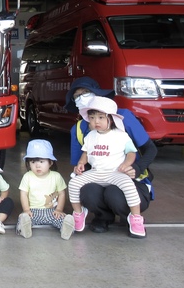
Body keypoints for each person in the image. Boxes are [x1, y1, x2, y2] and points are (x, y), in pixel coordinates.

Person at [65, 76, 156, 237]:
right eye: (76, 96)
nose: (81, 98)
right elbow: (83, 160)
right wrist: (80, 167)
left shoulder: (122, 117)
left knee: (114, 193)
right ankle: (102, 216)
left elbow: (150, 149)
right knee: (87, 191)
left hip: (126, 177)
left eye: (85, 92)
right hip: (99, 175)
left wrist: (135, 167)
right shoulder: (79, 129)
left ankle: (131, 217)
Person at [16, 139, 75, 240]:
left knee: (61, 219)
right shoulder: (27, 176)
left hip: (52, 211)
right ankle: (25, 229)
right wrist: (26, 210)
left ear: (50, 162)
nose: (37, 165)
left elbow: (62, 194)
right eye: (33, 161)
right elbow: (23, 194)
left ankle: (66, 229)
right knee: (23, 219)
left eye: (42, 161)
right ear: (28, 163)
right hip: (33, 211)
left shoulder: (56, 176)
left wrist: (59, 209)